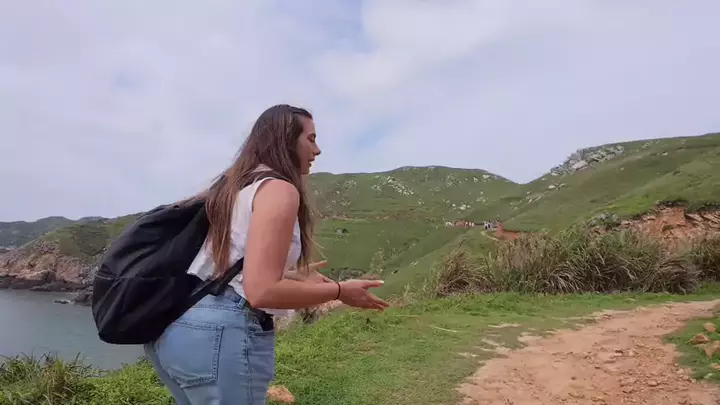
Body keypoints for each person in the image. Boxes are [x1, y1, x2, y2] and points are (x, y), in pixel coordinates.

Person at [142, 104, 389, 405]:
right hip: (223, 333)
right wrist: (339, 291)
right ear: (286, 140)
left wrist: (292, 277)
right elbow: (260, 292)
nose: (317, 150)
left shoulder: (235, 188)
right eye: (311, 139)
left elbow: (231, 269)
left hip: (179, 328)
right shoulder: (278, 190)